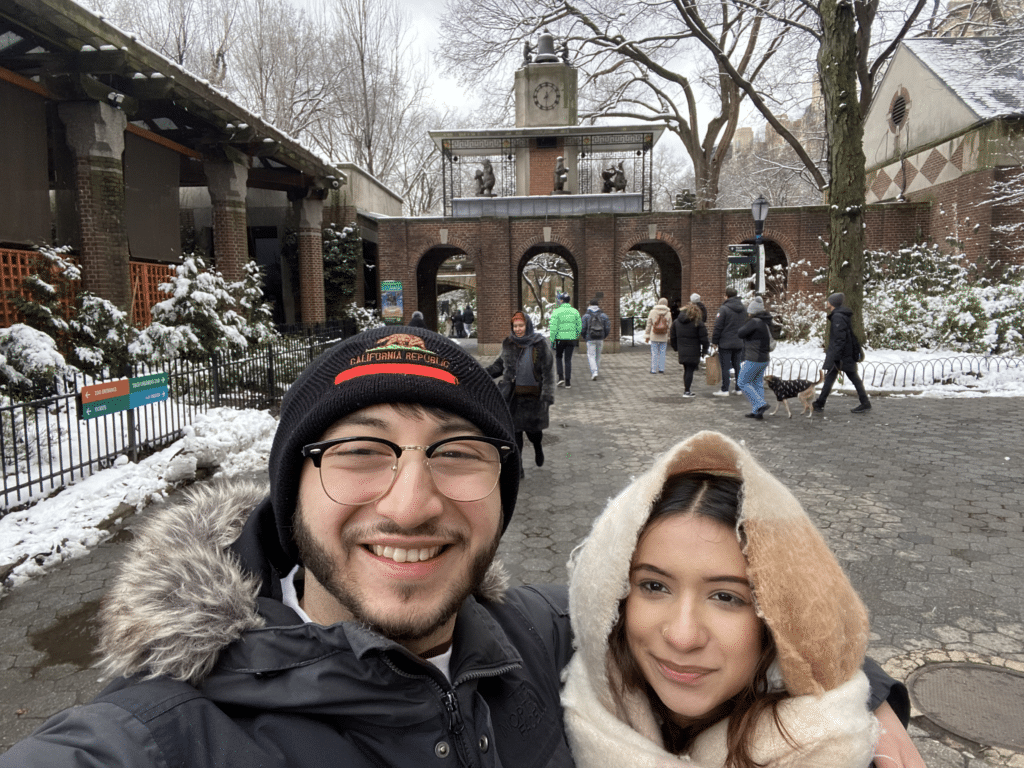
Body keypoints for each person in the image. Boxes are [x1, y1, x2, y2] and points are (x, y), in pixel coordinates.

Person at [0, 329, 923, 768]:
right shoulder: (158, 740)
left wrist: (863, 694)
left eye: (457, 454)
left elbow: (710, 615)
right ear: (291, 495)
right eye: (359, 453)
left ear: (501, 487)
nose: (411, 502)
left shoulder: (540, 637)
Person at [562, 430, 925, 768]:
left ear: (778, 616)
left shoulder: (832, 748)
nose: (682, 636)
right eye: (654, 586)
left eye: (726, 597)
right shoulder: (566, 687)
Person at [487, 311, 556, 475]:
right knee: (515, 434)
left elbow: (548, 372)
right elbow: (499, 366)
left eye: (521, 326)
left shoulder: (539, 344)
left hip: (533, 397)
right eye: (515, 326)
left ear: (528, 325)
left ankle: (538, 447)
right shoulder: (508, 343)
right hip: (513, 397)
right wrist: (482, 372)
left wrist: (547, 396)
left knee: (534, 433)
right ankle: (519, 467)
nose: (518, 329)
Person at [813, 292, 872, 414]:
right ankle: (820, 402)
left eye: (828, 301)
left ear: (832, 303)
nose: (827, 302)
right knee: (831, 377)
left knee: (853, 378)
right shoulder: (840, 315)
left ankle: (865, 403)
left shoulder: (838, 317)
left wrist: (836, 357)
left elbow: (840, 339)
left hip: (842, 355)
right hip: (844, 354)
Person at [736, 295, 773, 420]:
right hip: (764, 358)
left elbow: (740, 333)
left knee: (742, 381)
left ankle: (760, 404)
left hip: (754, 358)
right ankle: (757, 411)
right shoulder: (764, 321)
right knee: (757, 383)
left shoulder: (754, 322)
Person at [711, 287, 746, 397]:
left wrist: (714, 341)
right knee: (737, 366)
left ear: (726, 296)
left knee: (725, 367)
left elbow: (718, 326)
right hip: (739, 342)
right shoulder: (744, 308)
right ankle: (738, 388)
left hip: (725, 342)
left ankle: (725, 389)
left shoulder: (724, 309)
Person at [670, 302, 709, 397]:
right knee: (690, 370)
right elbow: (704, 339)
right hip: (694, 350)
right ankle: (687, 391)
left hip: (682, 350)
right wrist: (704, 350)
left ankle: (687, 389)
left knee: (686, 369)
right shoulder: (698, 322)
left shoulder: (676, 322)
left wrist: (676, 347)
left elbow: (672, 337)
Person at [549, 292, 583, 388]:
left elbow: (553, 327)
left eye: (560, 300)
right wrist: (575, 335)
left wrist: (552, 340)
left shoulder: (556, 312)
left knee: (558, 357)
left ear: (562, 301)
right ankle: (568, 382)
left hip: (559, 339)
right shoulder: (575, 312)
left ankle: (560, 378)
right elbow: (579, 326)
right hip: (571, 339)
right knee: (568, 359)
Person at [581, 301, 610, 380]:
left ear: (589, 305)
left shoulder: (586, 316)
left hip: (590, 338)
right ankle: (596, 370)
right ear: (598, 306)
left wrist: (585, 337)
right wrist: (604, 336)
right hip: (600, 338)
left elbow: (583, 329)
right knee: (598, 356)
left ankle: (594, 372)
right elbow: (607, 328)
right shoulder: (603, 315)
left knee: (591, 355)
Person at [644, 298, 673, 374]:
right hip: (664, 335)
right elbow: (670, 326)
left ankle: (653, 369)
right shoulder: (668, 313)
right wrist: (669, 336)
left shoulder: (652, 312)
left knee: (654, 353)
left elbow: (649, 324)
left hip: (654, 335)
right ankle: (661, 369)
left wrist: (647, 335)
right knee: (662, 353)